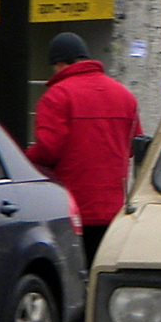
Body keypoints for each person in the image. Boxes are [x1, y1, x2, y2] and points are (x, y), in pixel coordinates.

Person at [26, 32, 143, 265]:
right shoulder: (124, 95)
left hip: (73, 209)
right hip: (114, 210)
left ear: (59, 64)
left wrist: (23, 159)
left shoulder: (57, 96)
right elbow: (134, 146)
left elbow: (49, 150)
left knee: (73, 279)